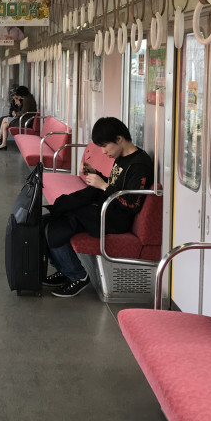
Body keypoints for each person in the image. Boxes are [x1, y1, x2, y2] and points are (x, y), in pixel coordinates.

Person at [41, 117, 153, 298]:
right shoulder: (122, 156)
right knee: (51, 216)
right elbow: (116, 185)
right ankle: (64, 268)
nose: (103, 152)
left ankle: (77, 275)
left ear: (119, 139)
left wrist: (102, 186)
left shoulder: (139, 165)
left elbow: (131, 203)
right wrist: (97, 174)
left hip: (117, 219)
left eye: (105, 146)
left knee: (59, 224)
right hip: (107, 209)